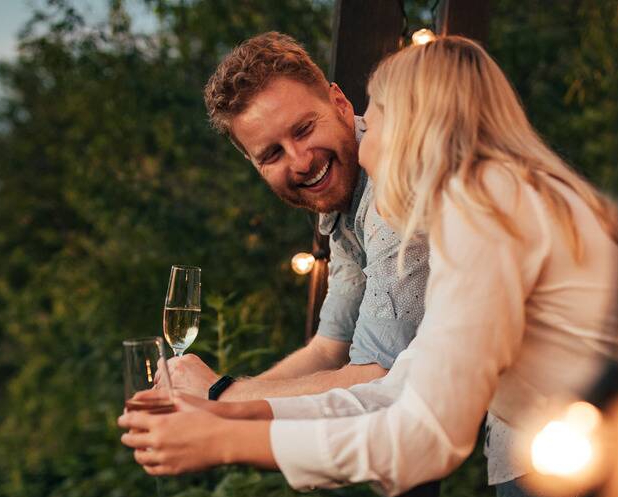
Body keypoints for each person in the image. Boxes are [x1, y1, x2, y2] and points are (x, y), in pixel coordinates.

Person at [121, 36, 618, 497]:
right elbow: (393, 386)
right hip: (575, 442)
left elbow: (423, 433)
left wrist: (229, 431)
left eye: (377, 112)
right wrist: (230, 415)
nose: (363, 131)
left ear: (418, 124)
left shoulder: (481, 212)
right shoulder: (468, 209)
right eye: (271, 153)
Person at [172, 32, 430, 401]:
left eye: (304, 129)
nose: (302, 161)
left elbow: (378, 378)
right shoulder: (344, 200)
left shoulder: (392, 183)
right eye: (272, 154)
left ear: (339, 103)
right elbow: (327, 351)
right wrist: (219, 401)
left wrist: (221, 395)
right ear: (254, 164)